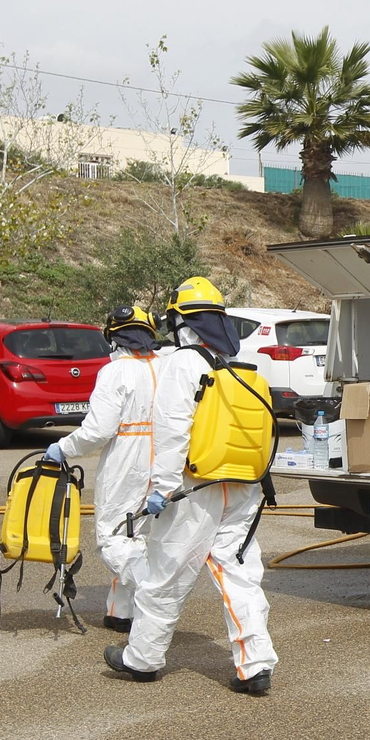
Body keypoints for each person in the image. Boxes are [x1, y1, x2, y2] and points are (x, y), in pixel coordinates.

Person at [103, 277, 278, 693]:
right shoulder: (243, 362)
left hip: (194, 487)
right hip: (244, 485)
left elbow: (171, 430)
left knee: (165, 575)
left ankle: (142, 659)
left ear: (180, 321)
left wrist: (161, 488)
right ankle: (255, 666)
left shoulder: (184, 362)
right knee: (238, 572)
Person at [43, 305, 159, 632]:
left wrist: (63, 449)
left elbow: (98, 431)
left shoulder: (116, 372)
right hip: (166, 461)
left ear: (113, 337)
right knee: (141, 537)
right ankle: (121, 614)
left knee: (112, 539)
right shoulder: (166, 367)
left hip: (127, 462)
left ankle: (155, 594)